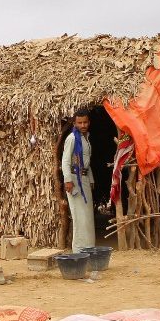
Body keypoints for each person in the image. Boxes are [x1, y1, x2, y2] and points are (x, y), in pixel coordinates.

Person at [61, 108, 94, 252]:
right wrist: (67, 180)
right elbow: (65, 161)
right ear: (74, 123)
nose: (83, 125)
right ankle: (79, 251)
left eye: (85, 122)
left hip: (84, 179)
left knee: (87, 217)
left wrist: (90, 179)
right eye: (79, 123)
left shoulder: (86, 138)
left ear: (89, 122)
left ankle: (88, 248)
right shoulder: (72, 138)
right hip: (74, 180)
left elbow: (86, 162)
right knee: (79, 216)